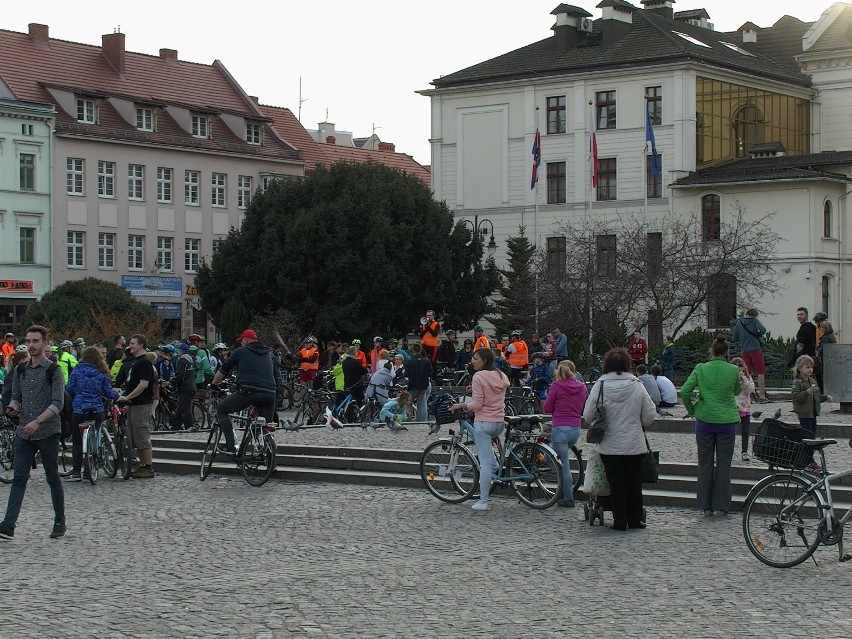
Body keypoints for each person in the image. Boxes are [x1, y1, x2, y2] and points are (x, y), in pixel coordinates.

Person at [0, 325, 67, 540]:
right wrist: (14, 406)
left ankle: (59, 521)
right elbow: (17, 396)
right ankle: (9, 524)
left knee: (52, 477)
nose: (31, 345)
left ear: (45, 344)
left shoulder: (53, 370)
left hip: (47, 431)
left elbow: (58, 403)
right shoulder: (21, 369)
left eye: (35, 341)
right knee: (19, 478)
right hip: (24, 432)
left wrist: (38, 421)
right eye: (28, 341)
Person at [583, 348, 656, 530]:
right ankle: (635, 519)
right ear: (627, 364)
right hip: (634, 443)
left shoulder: (600, 386)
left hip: (609, 444)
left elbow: (587, 415)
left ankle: (619, 520)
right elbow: (649, 415)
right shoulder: (637, 385)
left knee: (616, 484)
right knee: (633, 482)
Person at [680, 336, 740, 517]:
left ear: (711, 351)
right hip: (727, 421)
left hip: (704, 420)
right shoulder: (733, 369)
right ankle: (722, 506)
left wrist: (692, 409)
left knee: (705, 464)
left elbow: (684, 391)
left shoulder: (701, 368)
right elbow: (737, 390)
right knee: (724, 465)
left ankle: (706, 506)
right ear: (727, 353)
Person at [450, 347, 510, 511]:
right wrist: (474, 390)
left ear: (484, 360)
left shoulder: (478, 376)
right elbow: (491, 393)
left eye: (475, 358)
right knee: (489, 456)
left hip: (484, 422)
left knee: (484, 464)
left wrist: (459, 405)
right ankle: (497, 467)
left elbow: (477, 405)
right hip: (499, 422)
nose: (472, 361)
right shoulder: (500, 375)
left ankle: (483, 501)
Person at [210, 329, 277, 455]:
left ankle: (231, 446)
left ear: (246, 340)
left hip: (248, 391)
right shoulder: (267, 353)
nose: (241, 344)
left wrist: (214, 384)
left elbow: (223, 370)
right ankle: (269, 458)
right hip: (270, 393)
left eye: (241, 341)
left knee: (222, 409)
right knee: (265, 427)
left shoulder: (241, 351)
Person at [64, 346, 119, 481]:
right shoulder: (102, 372)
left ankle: (76, 472)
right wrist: (117, 395)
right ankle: (96, 455)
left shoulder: (77, 370)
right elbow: (108, 392)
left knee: (77, 441)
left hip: (79, 410)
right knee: (97, 432)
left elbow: (69, 389)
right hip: (97, 409)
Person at [542, 360, 588, 507]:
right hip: (575, 429)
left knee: (563, 465)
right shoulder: (582, 387)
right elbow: (585, 406)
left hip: (560, 428)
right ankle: (563, 490)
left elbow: (547, 408)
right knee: (559, 460)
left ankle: (568, 498)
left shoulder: (556, 385)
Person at [116, 334, 157, 478]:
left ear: (141, 345)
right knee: (136, 435)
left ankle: (148, 467)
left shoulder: (144, 362)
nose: (130, 345)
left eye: (133, 343)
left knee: (142, 434)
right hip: (134, 404)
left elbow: (143, 384)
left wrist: (128, 397)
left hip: (142, 403)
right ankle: (142, 466)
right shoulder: (135, 361)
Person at [731, 308, 768, 403]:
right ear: (754, 315)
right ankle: (762, 396)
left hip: (744, 350)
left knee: (747, 373)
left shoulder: (739, 323)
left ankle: (750, 397)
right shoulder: (754, 321)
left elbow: (734, 338)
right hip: (755, 349)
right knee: (760, 372)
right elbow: (763, 330)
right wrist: (757, 333)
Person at [791, 355, 831, 440]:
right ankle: (805, 451)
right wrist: (806, 392)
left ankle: (810, 451)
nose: (810, 369)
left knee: (813, 435)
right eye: (807, 367)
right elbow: (796, 397)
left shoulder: (812, 381)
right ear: (800, 368)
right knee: (807, 435)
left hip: (813, 413)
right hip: (804, 413)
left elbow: (817, 397)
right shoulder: (798, 382)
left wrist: (825, 397)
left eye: (811, 367)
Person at [730, 357, 755, 462]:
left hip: (745, 407)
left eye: (740, 366)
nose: (739, 368)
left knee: (745, 431)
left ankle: (744, 451)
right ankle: (729, 451)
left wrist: (744, 378)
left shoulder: (747, 377)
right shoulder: (730, 377)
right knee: (731, 432)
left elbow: (751, 389)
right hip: (734, 407)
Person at [171, 343, 196, 432]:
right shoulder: (190, 360)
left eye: (178, 350)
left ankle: (190, 426)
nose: (177, 351)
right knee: (181, 408)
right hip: (192, 386)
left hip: (185, 387)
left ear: (181, 351)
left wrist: (173, 381)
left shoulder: (181, 360)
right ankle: (176, 427)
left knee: (185, 409)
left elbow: (180, 375)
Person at [406, 344, 432, 424]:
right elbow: (430, 373)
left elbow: (406, 374)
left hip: (412, 385)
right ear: (420, 350)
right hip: (423, 385)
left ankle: (408, 418)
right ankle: (422, 421)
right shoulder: (426, 361)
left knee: (408, 403)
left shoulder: (409, 362)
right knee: (422, 404)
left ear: (412, 351)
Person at [814, 314, 835, 392]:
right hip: (828, 360)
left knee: (822, 376)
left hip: (824, 360)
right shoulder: (830, 336)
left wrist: (818, 351)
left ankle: (823, 391)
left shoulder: (826, 337)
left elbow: (823, 348)